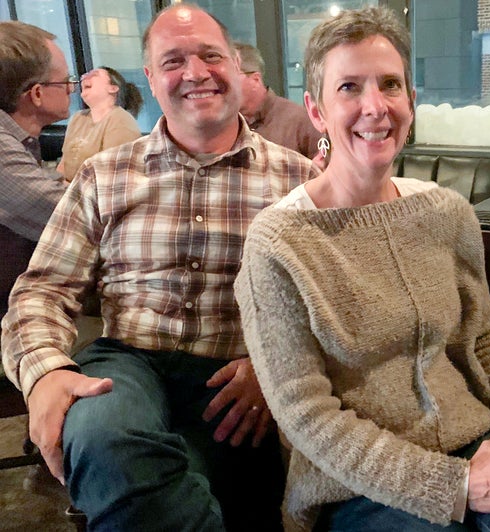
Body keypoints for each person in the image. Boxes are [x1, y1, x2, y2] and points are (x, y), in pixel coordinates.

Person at [234, 7, 490, 532]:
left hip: (480, 440)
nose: (375, 107)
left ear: (412, 99)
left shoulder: (445, 211)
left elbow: (485, 339)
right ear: (316, 111)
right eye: (349, 87)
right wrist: (451, 486)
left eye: (390, 85)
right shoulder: (277, 242)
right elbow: (305, 414)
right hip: (357, 485)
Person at [1, 4, 318, 531]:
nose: (195, 73)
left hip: (238, 380)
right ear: (150, 79)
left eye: (211, 56)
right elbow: (42, 291)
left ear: (237, 68)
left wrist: (276, 364)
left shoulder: (299, 182)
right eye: (173, 61)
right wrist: (45, 371)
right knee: (101, 431)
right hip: (127, 362)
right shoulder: (104, 176)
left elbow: (329, 304)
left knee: (219, 496)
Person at [0, 21, 71, 318]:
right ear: (37, 93)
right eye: (66, 81)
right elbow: (71, 215)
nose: (71, 89)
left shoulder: (22, 139)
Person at [235, 41, 323, 164]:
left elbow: (327, 171)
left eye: (232, 76)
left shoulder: (300, 120)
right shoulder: (225, 126)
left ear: (255, 80)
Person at [57, 66, 143, 181]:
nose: (83, 77)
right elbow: (63, 164)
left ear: (112, 88)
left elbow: (113, 175)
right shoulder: (78, 118)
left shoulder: (120, 120)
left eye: (94, 74)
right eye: (84, 75)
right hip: (67, 193)